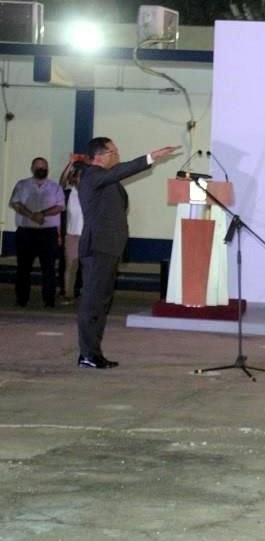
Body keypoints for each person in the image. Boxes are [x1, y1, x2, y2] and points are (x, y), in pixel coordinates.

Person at [76, 138, 178, 368]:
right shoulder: (92, 175)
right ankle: (87, 354)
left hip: (109, 248)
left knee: (102, 302)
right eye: (114, 151)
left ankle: (94, 352)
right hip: (98, 248)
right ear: (100, 155)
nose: (117, 154)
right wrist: (150, 157)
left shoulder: (107, 179)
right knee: (92, 303)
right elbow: (120, 172)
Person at [8, 157, 65, 308]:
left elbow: (60, 206)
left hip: (48, 234)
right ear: (32, 168)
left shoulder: (55, 188)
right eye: (38, 166)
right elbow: (15, 203)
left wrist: (42, 214)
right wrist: (32, 215)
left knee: (49, 269)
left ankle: (49, 300)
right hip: (26, 232)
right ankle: (21, 299)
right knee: (23, 268)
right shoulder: (22, 185)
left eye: (44, 167)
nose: (42, 169)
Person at [59, 155, 88, 304]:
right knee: (70, 266)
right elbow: (62, 182)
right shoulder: (71, 191)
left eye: (81, 177)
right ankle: (68, 295)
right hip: (72, 235)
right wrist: (71, 163)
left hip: (88, 234)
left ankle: (88, 296)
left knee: (89, 268)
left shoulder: (92, 191)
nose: (78, 180)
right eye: (76, 177)